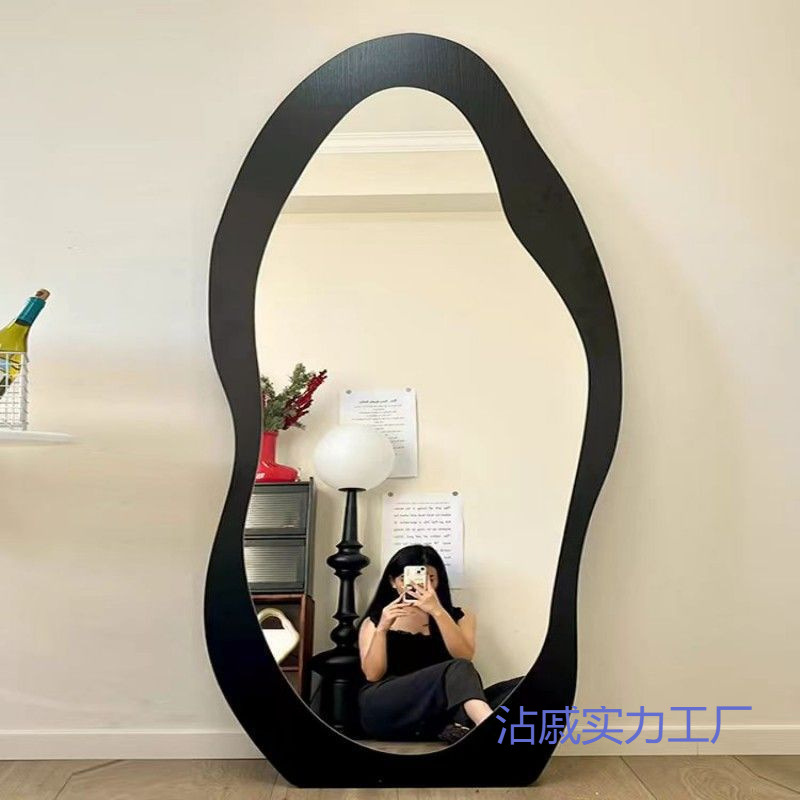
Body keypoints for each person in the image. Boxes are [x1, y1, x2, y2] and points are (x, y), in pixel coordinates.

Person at [356, 544, 523, 743]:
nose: (418, 586)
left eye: (429, 579)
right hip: (386, 706)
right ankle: (487, 729)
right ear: (393, 582)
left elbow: (464, 655)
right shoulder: (376, 620)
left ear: (439, 580)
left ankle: (459, 726)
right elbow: (372, 674)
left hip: (435, 710)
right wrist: (382, 628)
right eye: (405, 579)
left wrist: (437, 611)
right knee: (459, 668)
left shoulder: (461, 616)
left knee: (525, 686)